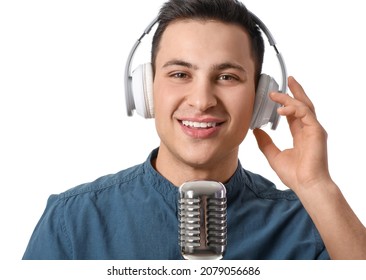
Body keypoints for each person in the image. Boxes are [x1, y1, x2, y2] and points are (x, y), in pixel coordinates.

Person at [22, 0, 366, 260]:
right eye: (179, 74)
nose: (202, 101)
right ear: (146, 90)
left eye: (227, 77)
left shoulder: (314, 225)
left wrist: (317, 187)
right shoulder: (72, 221)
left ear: (261, 99)